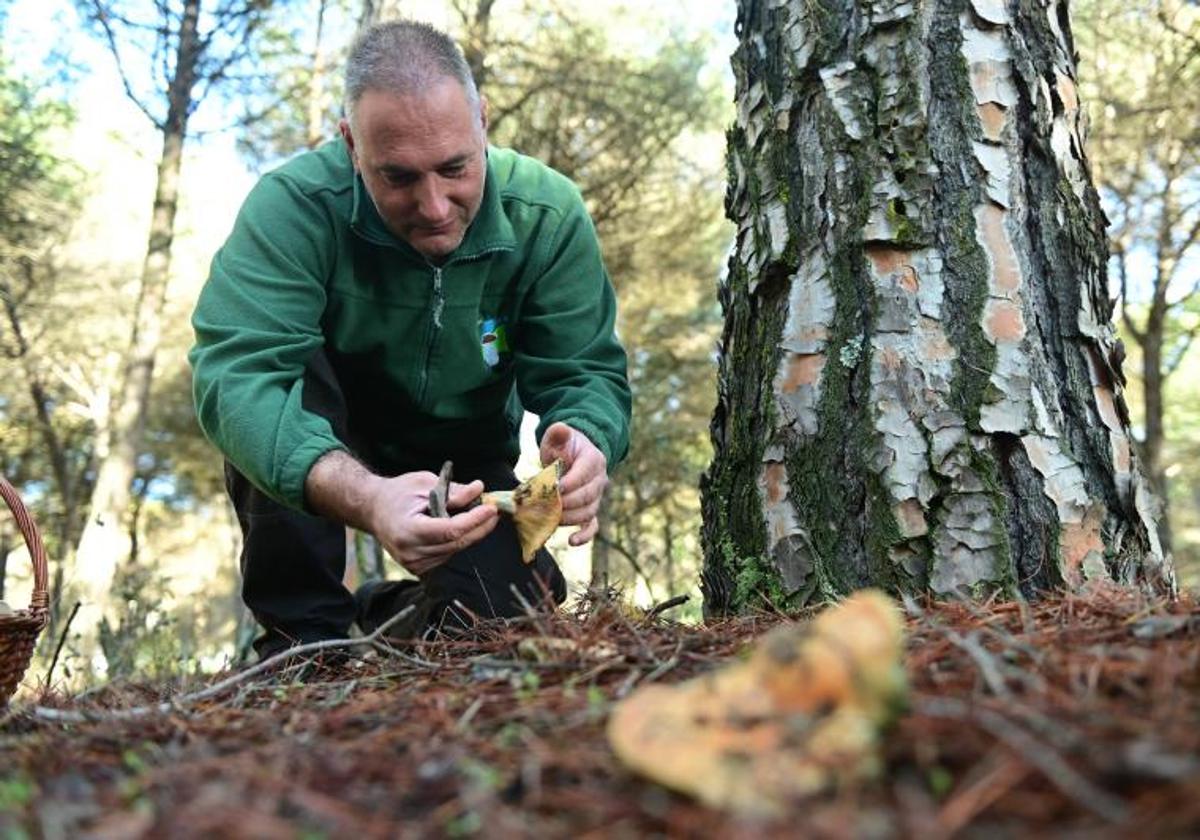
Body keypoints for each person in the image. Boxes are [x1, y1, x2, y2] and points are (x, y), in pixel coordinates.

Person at [189, 20, 631, 659]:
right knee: (281, 393)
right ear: (350, 144)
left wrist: (587, 434)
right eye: (398, 177)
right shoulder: (294, 206)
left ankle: (374, 618)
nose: (434, 206)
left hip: (464, 457)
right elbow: (238, 377)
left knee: (506, 623)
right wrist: (368, 496)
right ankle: (304, 642)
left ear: (481, 121)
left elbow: (586, 369)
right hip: (328, 434)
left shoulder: (547, 215)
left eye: (455, 167)